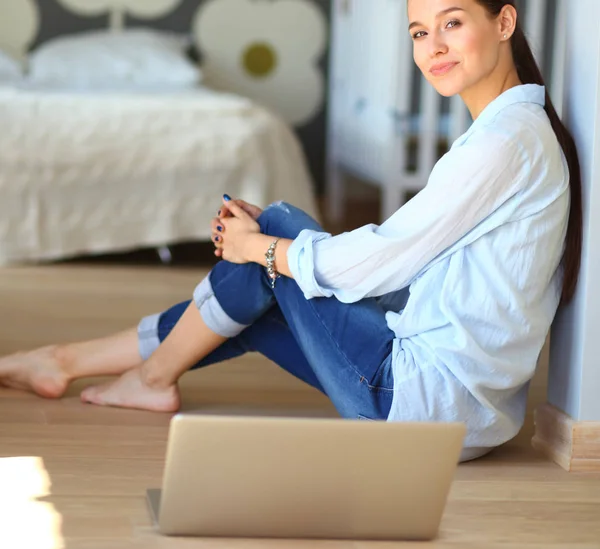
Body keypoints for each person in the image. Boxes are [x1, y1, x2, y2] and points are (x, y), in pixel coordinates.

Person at [0, 0, 582, 462]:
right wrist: (271, 256)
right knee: (259, 288)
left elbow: (387, 260)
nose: (433, 48)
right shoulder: (513, 134)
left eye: (452, 23)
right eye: (418, 32)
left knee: (273, 233)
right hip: (464, 412)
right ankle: (71, 362)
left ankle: (139, 374)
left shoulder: (505, 144)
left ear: (504, 21)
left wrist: (263, 246)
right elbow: (404, 267)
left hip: (417, 406)